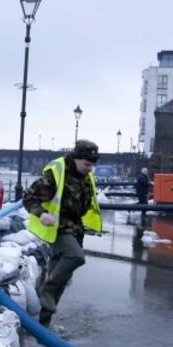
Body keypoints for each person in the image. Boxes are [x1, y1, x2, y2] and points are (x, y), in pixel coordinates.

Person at [23, 139, 103, 326]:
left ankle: (43, 325)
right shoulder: (57, 174)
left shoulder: (86, 176)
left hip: (75, 228)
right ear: (76, 158)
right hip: (57, 227)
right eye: (86, 163)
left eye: (92, 164)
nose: (90, 168)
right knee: (76, 257)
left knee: (61, 279)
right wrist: (41, 214)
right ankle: (46, 290)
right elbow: (29, 196)